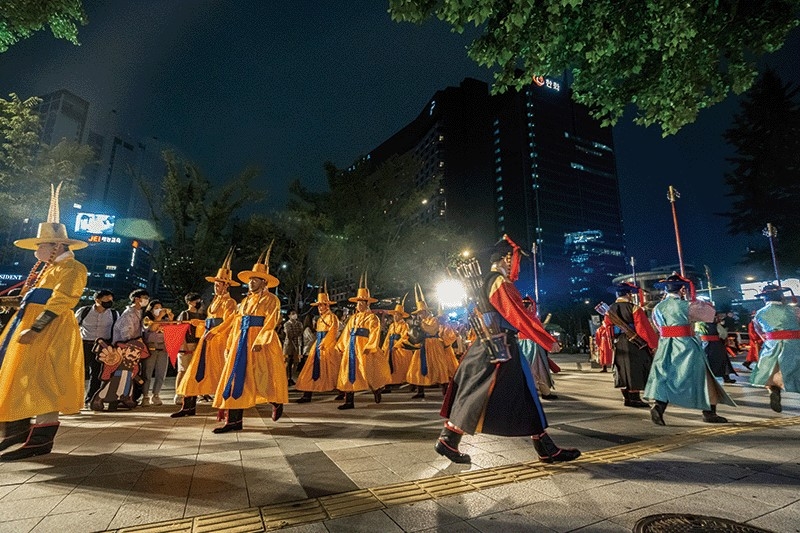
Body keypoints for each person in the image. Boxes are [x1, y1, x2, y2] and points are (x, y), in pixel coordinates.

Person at [437, 237, 580, 464]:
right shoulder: (499, 282)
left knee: (491, 393)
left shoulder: (489, 281)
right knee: (486, 394)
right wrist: (545, 338)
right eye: (515, 260)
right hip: (501, 346)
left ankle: (450, 439)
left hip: (491, 344)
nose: (516, 265)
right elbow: (517, 315)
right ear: (506, 258)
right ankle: (450, 439)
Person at [0, 183, 88, 460]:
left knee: (44, 381)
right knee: (19, 377)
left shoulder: (73, 268)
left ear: (58, 245)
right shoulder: (48, 270)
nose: (38, 249)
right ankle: (17, 432)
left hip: (50, 331)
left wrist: (36, 327)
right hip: (28, 328)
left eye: (43, 245)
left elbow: (62, 301)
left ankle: (40, 440)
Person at [212, 245, 287, 432]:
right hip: (241, 342)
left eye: (256, 280)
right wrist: (228, 342)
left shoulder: (271, 300)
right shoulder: (244, 301)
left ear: (264, 282)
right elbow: (236, 322)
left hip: (261, 342)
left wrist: (260, 341)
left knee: (265, 376)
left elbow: (272, 321)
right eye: (250, 280)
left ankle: (276, 400)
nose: (251, 283)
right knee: (237, 377)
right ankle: (234, 421)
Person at [644, 274, 735, 425]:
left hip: (666, 344)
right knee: (704, 377)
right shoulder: (687, 305)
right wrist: (695, 300)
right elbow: (710, 315)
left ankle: (659, 407)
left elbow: (657, 326)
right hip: (686, 344)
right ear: (682, 289)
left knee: (666, 376)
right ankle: (709, 412)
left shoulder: (658, 307)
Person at [172, 250, 239, 417]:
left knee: (219, 371)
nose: (216, 287)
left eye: (219, 284)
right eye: (215, 284)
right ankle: (188, 406)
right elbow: (210, 319)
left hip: (219, 341)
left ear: (227, 285)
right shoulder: (214, 301)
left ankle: (226, 405)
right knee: (194, 370)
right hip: (206, 339)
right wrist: (200, 324)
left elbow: (229, 321)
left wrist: (215, 331)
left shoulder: (230, 302)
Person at [335, 275, 391, 410]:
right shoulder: (353, 318)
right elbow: (346, 333)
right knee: (349, 371)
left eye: (361, 302)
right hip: (351, 348)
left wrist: (370, 346)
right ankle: (349, 401)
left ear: (367, 303)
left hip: (364, 347)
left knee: (368, 372)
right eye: (357, 302)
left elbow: (375, 333)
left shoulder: (372, 318)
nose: (358, 305)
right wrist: (341, 346)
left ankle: (376, 389)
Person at [603, 283, 659, 408]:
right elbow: (643, 328)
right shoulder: (634, 308)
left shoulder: (609, 309)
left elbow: (607, 327)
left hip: (618, 342)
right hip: (634, 342)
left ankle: (627, 398)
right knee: (634, 368)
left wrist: (611, 342)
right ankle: (635, 398)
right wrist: (652, 344)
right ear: (628, 294)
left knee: (621, 368)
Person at [748, 285, 800, 413]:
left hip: (771, 345)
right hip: (793, 343)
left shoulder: (759, 313)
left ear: (764, 299)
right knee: (795, 371)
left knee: (772, 372)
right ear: (781, 296)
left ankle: (773, 391)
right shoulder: (794, 311)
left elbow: (758, 330)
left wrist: (769, 339)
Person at [405, 285, 453, 399]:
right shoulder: (421, 320)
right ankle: (420, 390)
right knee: (417, 366)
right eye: (419, 313)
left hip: (434, 344)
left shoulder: (433, 319)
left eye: (421, 312)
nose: (420, 314)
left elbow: (431, 330)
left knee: (438, 365)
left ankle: (444, 387)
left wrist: (421, 324)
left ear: (426, 311)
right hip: (423, 345)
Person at [295, 285, 341, 403]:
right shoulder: (320, 319)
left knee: (334, 369)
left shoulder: (332, 317)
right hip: (318, 344)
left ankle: (344, 391)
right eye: (319, 305)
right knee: (309, 368)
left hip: (328, 345)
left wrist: (325, 342)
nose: (320, 307)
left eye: (322, 305)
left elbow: (333, 331)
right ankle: (307, 394)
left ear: (327, 305)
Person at [107, 288, 149, 408]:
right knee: (120, 376)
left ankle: (125, 398)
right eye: (145, 298)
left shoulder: (139, 313)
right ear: (137, 299)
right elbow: (126, 334)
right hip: (124, 350)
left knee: (129, 376)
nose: (146, 301)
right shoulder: (128, 315)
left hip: (133, 350)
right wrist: (136, 343)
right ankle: (114, 401)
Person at [75, 289, 118, 405]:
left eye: (110, 299)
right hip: (85, 344)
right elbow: (73, 326)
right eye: (106, 299)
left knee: (97, 373)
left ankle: (91, 398)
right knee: (78, 371)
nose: (109, 302)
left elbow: (116, 330)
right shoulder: (84, 311)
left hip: (103, 347)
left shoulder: (113, 314)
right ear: (97, 300)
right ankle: (74, 398)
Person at [518, 295, 560, 400]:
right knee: (538, 369)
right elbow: (540, 332)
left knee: (528, 369)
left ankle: (541, 391)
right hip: (533, 345)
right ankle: (543, 392)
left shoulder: (520, 317)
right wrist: (551, 342)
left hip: (521, 344)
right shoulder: (531, 318)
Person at [173, 292, 206, 404]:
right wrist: (184, 345)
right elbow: (180, 330)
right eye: (196, 301)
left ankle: (193, 394)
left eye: (199, 300)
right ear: (189, 302)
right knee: (182, 370)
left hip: (197, 345)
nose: (198, 303)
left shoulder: (201, 315)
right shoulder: (185, 314)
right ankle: (179, 393)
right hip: (186, 345)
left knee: (194, 370)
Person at [141, 300, 174, 407]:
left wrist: (170, 319)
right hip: (151, 348)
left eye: (160, 307)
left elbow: (170, 331)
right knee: (147, 374)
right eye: (156, 307)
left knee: (161, 374)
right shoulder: (147, 319)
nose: (159, 310)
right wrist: (159, 317)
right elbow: (151, 328)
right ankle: (145, 396)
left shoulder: (164, 320)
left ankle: (156, 395)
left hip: (163, 349)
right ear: (150, 309)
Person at [382, 296, 413, 392]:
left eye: (397, 315)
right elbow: (388, 336)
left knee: (400, 365)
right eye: (394, 315)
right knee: (389, 364)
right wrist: (384, 347)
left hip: (399, 348)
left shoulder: (405, 325)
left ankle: (403, 381)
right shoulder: (392, 325)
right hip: (390, 347)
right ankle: (389, 383)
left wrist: (397, 345)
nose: (395, 316)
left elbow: (405, 337)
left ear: (401, 316)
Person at [696, 312, 737, 384]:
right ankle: (726, 378)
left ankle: (705, 378)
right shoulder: (715, 324)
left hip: (704, 344)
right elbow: (723, 334)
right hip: (716, 345)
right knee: (723, 360)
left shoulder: (698, 324)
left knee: (706, 361)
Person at [283, 309, 303, 386]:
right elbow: (289, 335)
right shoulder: (287, 324)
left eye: (295, 313)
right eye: (293, 314)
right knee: (287, 362)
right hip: (289, 345)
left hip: (297, 345)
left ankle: (291, 378)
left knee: (295, 362)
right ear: (289, 315)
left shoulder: (299, 323)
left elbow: (300, 332)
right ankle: (286, 378)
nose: (295, 315)